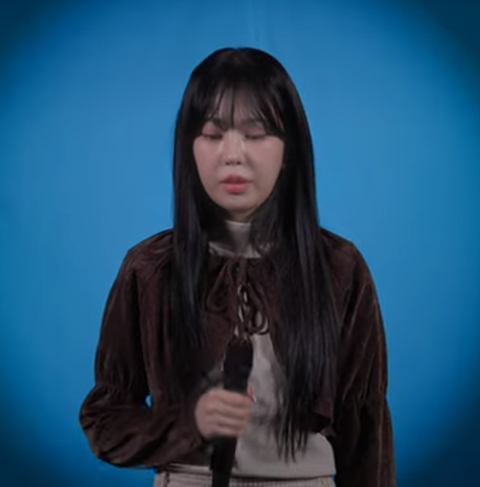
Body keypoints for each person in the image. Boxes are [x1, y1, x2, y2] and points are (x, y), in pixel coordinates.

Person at [79, 47, 396, 487]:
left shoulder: (339, 268)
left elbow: (366, 431)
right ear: (189, 147)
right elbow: (105, 418)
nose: (232, 155)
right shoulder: (150, 268)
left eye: (256, 133)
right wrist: (189, 423)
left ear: (289, 149)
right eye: (212, 134)